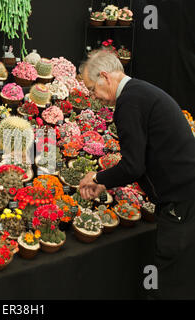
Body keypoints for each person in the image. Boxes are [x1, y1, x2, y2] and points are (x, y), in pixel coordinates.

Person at [78, 49, 195, 299]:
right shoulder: (141, 91)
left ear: (105, 77)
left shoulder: (129, 102)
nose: (94, 97)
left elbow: (133, 167)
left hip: (181, 202)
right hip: (186, 195)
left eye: (92, 88)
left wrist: (97, 178)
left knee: (169, 281)